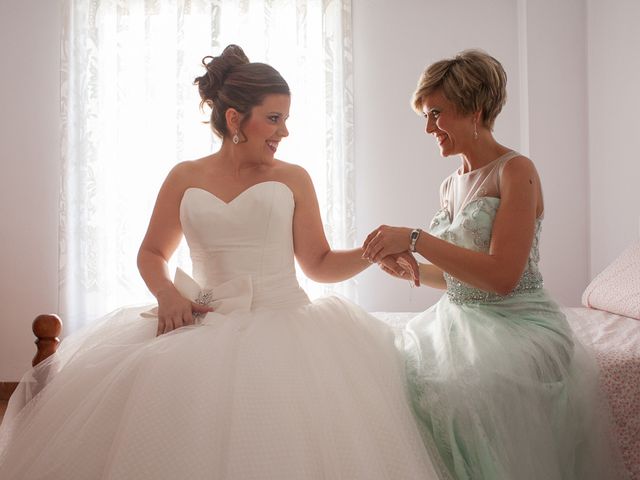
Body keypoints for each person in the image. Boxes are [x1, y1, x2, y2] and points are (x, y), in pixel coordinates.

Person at [0, 45, 440, 479]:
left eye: (285, 119)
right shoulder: (184, 176)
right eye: (273, 118)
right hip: (200, 320)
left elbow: (319, 263)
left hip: (284, 322)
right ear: (235, 119)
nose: (283, 131)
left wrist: (372, 253)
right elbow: (151, 252)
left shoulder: (293, 178)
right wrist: (167, 294)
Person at [362, 49, 625, 480]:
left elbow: (502, 278)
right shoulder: (450, 184)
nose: (428, 128)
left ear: (475, 110)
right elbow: (461, 281)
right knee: (399, 379)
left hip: (520, 321)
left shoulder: (516, 171)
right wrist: (408, 269)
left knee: (456, 392)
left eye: (436, 114)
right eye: (425, 116)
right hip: (461, 317)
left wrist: (415, 238)